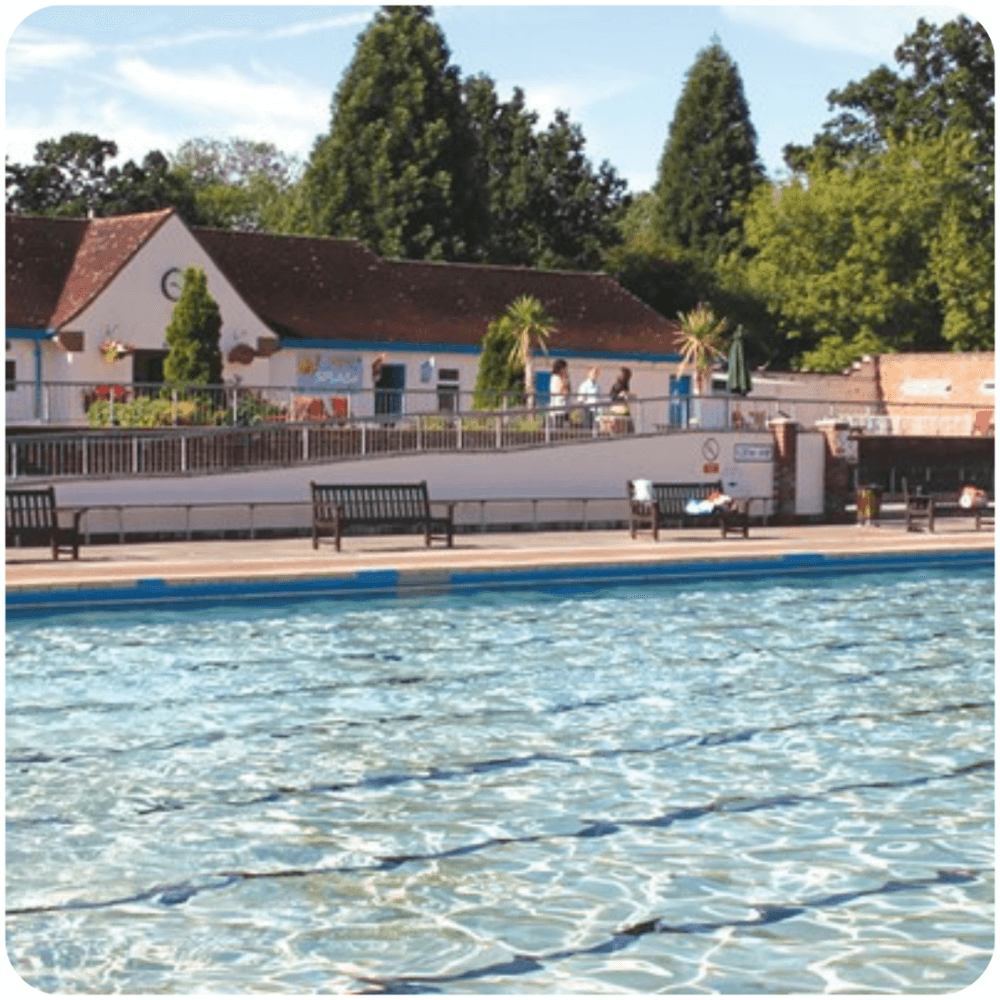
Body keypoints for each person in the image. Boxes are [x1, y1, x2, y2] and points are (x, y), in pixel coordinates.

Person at [550, 358, 571, 426]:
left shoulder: (565, 378)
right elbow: (560, 389)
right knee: (558, 428)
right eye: (565, 368)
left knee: (565, 428)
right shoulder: (555, 377)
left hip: (565, 407)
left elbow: (568, 391)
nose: (566, 370)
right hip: (558, 409)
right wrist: (564, 378)